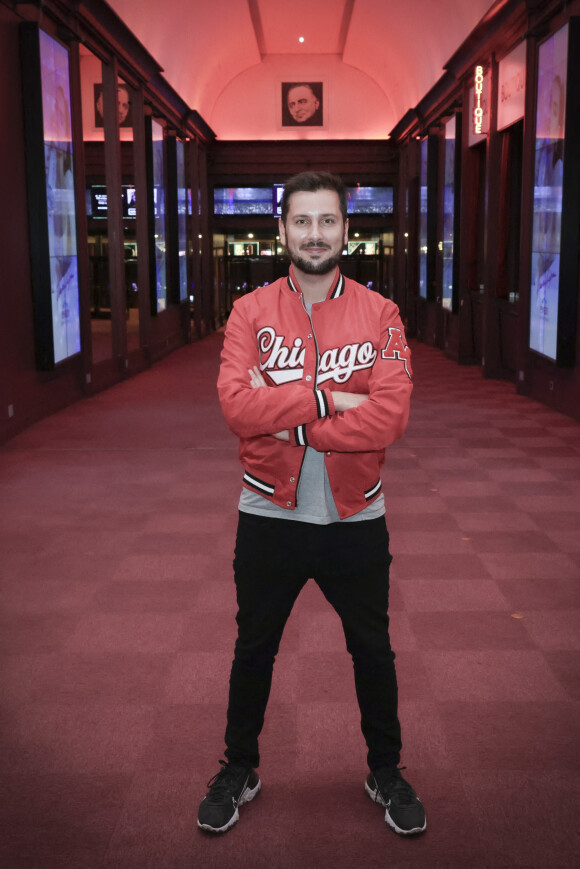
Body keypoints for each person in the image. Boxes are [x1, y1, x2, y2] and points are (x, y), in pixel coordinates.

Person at [197, 171, 426, 838]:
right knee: (254, 648)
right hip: (269, 513)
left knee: (373, 649)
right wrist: (327, 399)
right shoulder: (250, 312)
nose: (316, 234)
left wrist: (287, 416)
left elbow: (389, 418)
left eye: (328, 221)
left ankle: (385, 768)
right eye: (303, 221)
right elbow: (237, 408)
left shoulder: (381, 313)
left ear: (346, 232)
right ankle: (239, 765)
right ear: (282, 231)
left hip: (358, 516)